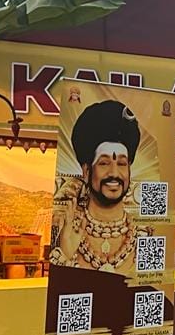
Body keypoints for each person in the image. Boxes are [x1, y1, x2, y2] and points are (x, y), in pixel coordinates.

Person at [51, 100, 150, 273]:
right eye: (104, 163)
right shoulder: (63, 231)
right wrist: (65, 254)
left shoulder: (146, 236)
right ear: (86, 171)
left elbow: (154, 283)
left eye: (121, 163)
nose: (114, 173)